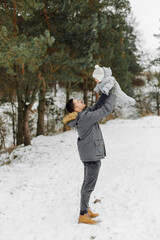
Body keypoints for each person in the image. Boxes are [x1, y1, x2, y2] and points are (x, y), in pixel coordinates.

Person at [63, 90, 116, 225]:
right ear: (76, 109)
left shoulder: (83, 115)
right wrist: (114, 93)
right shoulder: (84, 118)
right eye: (78, 102)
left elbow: (98, 106)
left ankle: (85, 209)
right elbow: (105, 109)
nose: (80, 101)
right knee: (88, 186)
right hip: (91, 156)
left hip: (89, 154)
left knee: (86, 184)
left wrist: (106, 93)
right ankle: (83, 214)